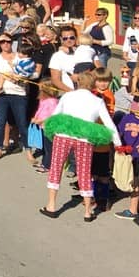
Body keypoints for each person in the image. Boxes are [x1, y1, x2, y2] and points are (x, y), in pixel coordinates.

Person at [39, 71, 122, 222]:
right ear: (93, 84)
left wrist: (46, 126)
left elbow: (56, 115)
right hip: (85, 139)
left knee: (56, 167)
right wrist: (118, 144)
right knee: (84, 172)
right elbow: (109, 124)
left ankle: (51, 206)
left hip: (63, 136)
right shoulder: (98, 101)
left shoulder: (67, 96)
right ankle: (88, 211)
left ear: (78, 82)